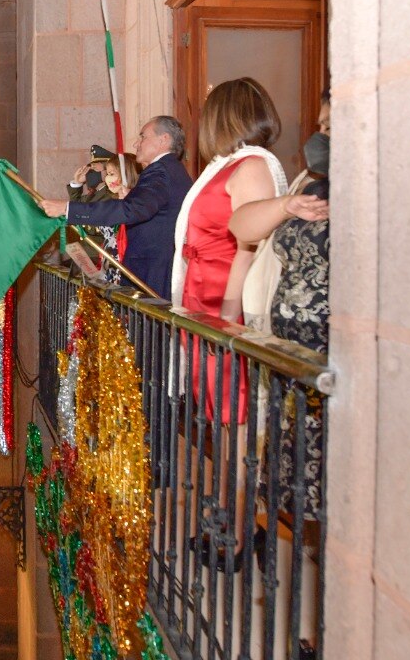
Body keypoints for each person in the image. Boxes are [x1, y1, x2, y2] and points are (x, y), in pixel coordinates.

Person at [231, 92, 331, 521]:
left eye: (331, 126)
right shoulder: (309, 181)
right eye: (322, 124)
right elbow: (242, 226)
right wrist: (287, 205)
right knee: (295, 487)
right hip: (292, 363)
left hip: (334, 364)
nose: (321, 134)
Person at [173, 78, 287, 424]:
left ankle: (238, 479)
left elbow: (248, 248)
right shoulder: (224, 166)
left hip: (223, 298)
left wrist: (226, 315)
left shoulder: (251, 167)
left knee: (233, 405)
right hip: (202, 294)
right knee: (212, 403)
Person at [39, 117, 193, 299]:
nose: (136, 143)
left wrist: (68, 209)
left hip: (152, 274)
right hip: (158, 269)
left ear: (163, 139)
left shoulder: (160, 171)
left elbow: (130, 210)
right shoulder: (173, 170)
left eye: (143, 137)